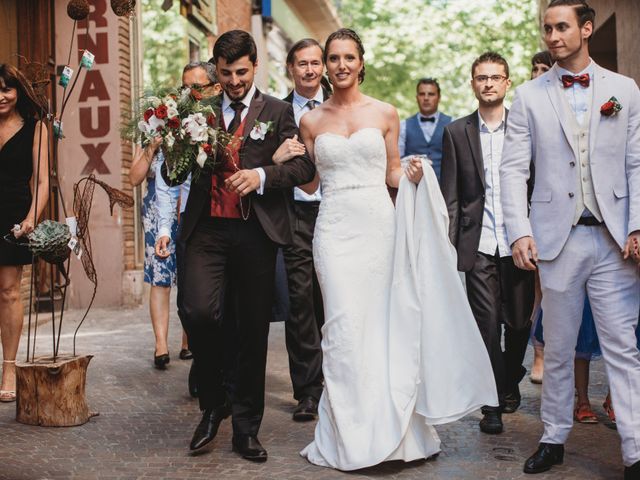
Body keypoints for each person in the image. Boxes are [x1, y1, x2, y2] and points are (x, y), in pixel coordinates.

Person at [297, 28, 497, 471]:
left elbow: (389, 171)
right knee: (343, 328)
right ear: (326, 65)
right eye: (334, 58)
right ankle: (350, 436)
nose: (341, 65)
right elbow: (311, 182)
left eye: (349, 57)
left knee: (382, 327)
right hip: (333, 230)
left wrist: (410, 171)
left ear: (361, 63)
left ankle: (393, 432)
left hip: (377, 228)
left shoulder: (386, 113)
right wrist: (283, 160)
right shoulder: (310, 121)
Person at [500, 1, 640, 476]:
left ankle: (635, 451)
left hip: (614, 238)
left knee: (623, 346)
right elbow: (513, 169)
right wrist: (519, 231)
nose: (553, 35)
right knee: (557, 348)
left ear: (585, 28)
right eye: (547, 28)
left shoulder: (623, 90)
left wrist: (637, 225)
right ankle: (553, 437)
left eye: (562, 27)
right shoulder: (527, 95)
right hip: (556, 238)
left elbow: (636, 163)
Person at [176, 30, 315, 462]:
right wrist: (170, 142)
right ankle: (214, 401)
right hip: (206, 231)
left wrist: (260, 176)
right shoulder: (196, 111)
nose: (234, 81)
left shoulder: (278, 110)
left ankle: (246, 428)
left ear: (254, 65)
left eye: (241, 72)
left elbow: (304, 169)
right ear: (215, 70)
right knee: (198, 312)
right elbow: (172, 173)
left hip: (256, 232)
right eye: (226, 73)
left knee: (251, 332)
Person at [440, 52, 535, 435]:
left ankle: (511, 375)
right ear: (473, 83)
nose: (489, 83)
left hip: (519, 242)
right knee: (486, 324)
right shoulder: (456, 132)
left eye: (496, 77)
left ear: (507, 83)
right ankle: (491, 402)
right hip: (476, 243)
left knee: (518, 322)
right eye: (482, 77)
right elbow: (451, 195)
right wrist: (449, 246)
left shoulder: (525, 129)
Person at [129, 63, 215, 370]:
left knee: (191, 279)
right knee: (160, 278)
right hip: (157, 214)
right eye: (184, 86)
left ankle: (188, 341)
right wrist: (153, 144)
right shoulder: (154, 125)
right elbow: (134, 177)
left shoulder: (206, 124)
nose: (188, 92)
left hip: (192, 209)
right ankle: (161, 344)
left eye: (196, 86)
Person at [272, 38, 329, 421]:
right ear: (290, 68)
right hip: (294, 214)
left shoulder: (341, 106)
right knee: (301, 301)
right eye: (302, 64)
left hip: (338, 211)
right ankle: (308, 390)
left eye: (315, 63)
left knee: (336, 300)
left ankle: (340, 382)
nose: (309, 70)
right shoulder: (277, 113)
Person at [0, 64, 49, 403]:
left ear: (17, 91)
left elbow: (44, 181)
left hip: (13, 215)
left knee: (8, 292)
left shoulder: (36, 128)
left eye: (6, 89)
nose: (0, 97)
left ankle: (9, 367)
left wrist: (32, 217)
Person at [527, 50, 553, 385]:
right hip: (532, 204)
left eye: (543, 68)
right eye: (534, 68)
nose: (537, 73)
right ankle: (539, 352)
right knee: (539, 288)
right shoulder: (525, 105)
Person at [398, 77, 452, 181]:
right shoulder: (403, 126)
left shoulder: (452, 124)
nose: (426, 98)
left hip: (444, 189)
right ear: (416, 97)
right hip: (414, 189)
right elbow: (397, 163)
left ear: (439, 97)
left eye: (431, 94)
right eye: (422, 94)